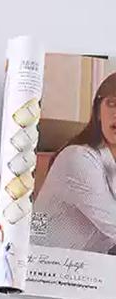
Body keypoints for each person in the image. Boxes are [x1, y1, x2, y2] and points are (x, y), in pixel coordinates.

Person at [31, 72, 116, 253]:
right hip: (42, 264)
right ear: (98, 111)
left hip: (85, 264)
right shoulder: (78, 158)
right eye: (112, 103)